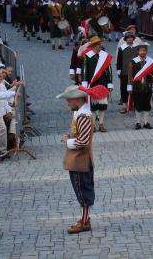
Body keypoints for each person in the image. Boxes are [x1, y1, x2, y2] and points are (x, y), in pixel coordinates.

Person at [57, 85, 98, 235]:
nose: (67, 102)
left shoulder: (83, 116)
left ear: (78, 99)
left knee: (83, 193)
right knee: (81, 191)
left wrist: (67, 141)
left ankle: (85, 222)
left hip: (81, 161)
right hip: (78, 160)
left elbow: (83, 142)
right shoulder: (80, 114)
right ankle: (84, 219)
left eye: (69, 99)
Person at [126, 43, 153, 130]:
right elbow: (130, 75)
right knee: (138, 105)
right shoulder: (133, 62)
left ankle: (146, 122)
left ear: (146, 51)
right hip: (137, 87)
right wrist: (129, 86)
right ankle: (138, 122)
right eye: (141, 50)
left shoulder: (150, 61)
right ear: (138, 51)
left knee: (147, 105)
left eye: (144, 50)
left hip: (147, 86)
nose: (142, 52)